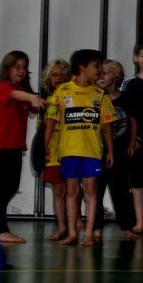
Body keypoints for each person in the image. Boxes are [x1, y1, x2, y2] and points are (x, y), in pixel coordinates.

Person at [43, 49, 115, 246]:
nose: (99, 69)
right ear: (82, 67)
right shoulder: (62, 91)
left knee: (91, 190)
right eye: (96, 65)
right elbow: (51, 120)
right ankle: (72, 233)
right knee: (71, 190)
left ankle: (89, 233)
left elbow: (106, 124)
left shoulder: (101, 94)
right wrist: (45, 146)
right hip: (69, 150)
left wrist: (110, 150)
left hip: (92, 150)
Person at [0, 51, 46, 243]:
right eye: (17, 67)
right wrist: (31, 97)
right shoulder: (4, 87)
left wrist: (36, 102)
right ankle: (0, 230)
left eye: (24, 67)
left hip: (13, 147)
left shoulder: (22, 90)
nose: (21, 71)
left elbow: (32, 108)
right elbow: (17, 94)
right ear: (7, 69)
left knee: (11, 187)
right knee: (2, 188)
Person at [96, 60, 135, 233]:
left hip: (120, 149)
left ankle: (127, 225)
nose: (101, 77)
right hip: (98, 149)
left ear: (116, 75)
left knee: (121, 188)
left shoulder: (126, 98)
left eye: (105, 73)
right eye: (99, 73)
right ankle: (96, 226)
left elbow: (133, 121)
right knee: (96, 188)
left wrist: (133, 141)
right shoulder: (96, 97)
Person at [39, 59, 71, 240]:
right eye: (54, 75)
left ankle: (74, 223)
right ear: (48, 78)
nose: (57, 78)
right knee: (59, 190)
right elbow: (47, 129)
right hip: (53, 152)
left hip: (71, 149)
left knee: (73, 189)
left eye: (61, 75)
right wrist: (44, 149)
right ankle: (62, 226)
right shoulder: (50, 101)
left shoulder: (71, 98)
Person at [118, 46, 143, 236]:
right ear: (135, 58)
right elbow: (127, 115)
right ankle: (140, 222)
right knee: (138, 182)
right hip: (139, 140)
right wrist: (132, 139)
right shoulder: (129, 84)